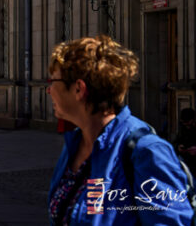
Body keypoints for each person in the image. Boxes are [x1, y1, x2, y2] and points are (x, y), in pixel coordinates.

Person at [47, 35, 193, 224]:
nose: (48, 90)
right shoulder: (74, 144)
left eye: (53, 82)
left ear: (79, 89)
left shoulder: (146, 151)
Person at [174, 108, 196, 175]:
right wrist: (178, 147)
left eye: (188, 122)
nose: (186, 125)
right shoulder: (183, 130)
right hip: (186, 163)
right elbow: (176, 142)